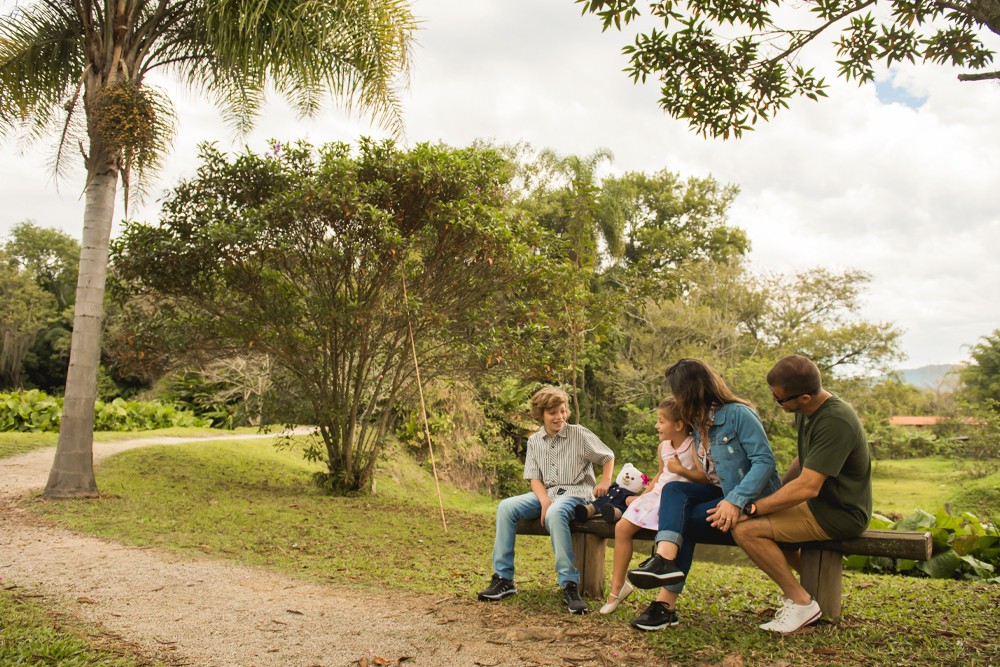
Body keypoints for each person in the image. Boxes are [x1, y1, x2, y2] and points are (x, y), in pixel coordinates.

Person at [626, 358, 781, 631]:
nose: (674, 398)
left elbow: (764, 463)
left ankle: (665, 605)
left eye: (676, 392)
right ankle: (663, 560)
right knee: (674, 490)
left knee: (683, 520)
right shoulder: (698, 425)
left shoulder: (738, 414)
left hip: (750, 502)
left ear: (689, 392)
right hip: (719, 496)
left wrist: (735, 501)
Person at [730, 355, 872, 634]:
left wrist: (755, 508)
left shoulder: (836, 421)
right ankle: (806, 595)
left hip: (841, 513)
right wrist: (776, 494)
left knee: (745, 530)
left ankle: (802, 601)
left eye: (780, 399)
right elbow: (805, 460)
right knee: (757, 525)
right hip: (819, 506)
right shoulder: (809, 412)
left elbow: (808, 486)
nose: (776, 402)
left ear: (805, 397)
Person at [477, 386, 615, 614]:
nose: (559, 417)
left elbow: (607, 456)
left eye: (562, 411)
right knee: (505, 507)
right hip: (548, 493)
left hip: (576, 492)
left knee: (555, 513)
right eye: (553, 413)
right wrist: (544, 501)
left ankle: (569, 585)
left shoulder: (579, 433)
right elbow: (534, 478)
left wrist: (605, 481)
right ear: (541, 415)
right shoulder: (534, 442)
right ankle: (504, 579)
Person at [599, 397, 707, 614]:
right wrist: (642, 497)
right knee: (622, 528)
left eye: (661, 421)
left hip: (677, 501)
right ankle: (617, 588)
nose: (657, 426)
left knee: (666, 537)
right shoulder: (663, 447)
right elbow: (660, 475)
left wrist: (681, 471)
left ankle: (660, 575)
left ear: (678, 425)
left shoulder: (692, 446)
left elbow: (704, 478)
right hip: (657, 495)